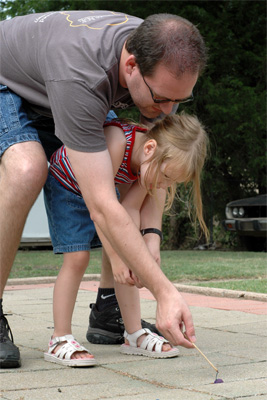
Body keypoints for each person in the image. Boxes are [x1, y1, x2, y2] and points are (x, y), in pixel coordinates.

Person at [0, 10, 208, 368]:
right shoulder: (81, 75)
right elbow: (101, 205)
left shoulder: (154, 50)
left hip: (58, 83)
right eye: (161, 99)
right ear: (129, 67)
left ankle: (111, 309)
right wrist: (164, 292)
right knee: (28, 169)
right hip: (9, 80)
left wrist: (152, 236)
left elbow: (150, 181)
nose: (167, 111)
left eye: (180, 100)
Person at [43, 113, 208, 366]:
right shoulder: (118, 143)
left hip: (100, 200)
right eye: (166, 176)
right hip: (68, 186)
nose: (163, 184)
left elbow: (129, 210)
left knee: (130, 256)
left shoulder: (148, 163)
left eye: (172, 181)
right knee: (77, 258)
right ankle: (59, 338)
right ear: (151, 149)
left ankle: (134, 335)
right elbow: (100, 210)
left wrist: (142, 248)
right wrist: (117, 259)